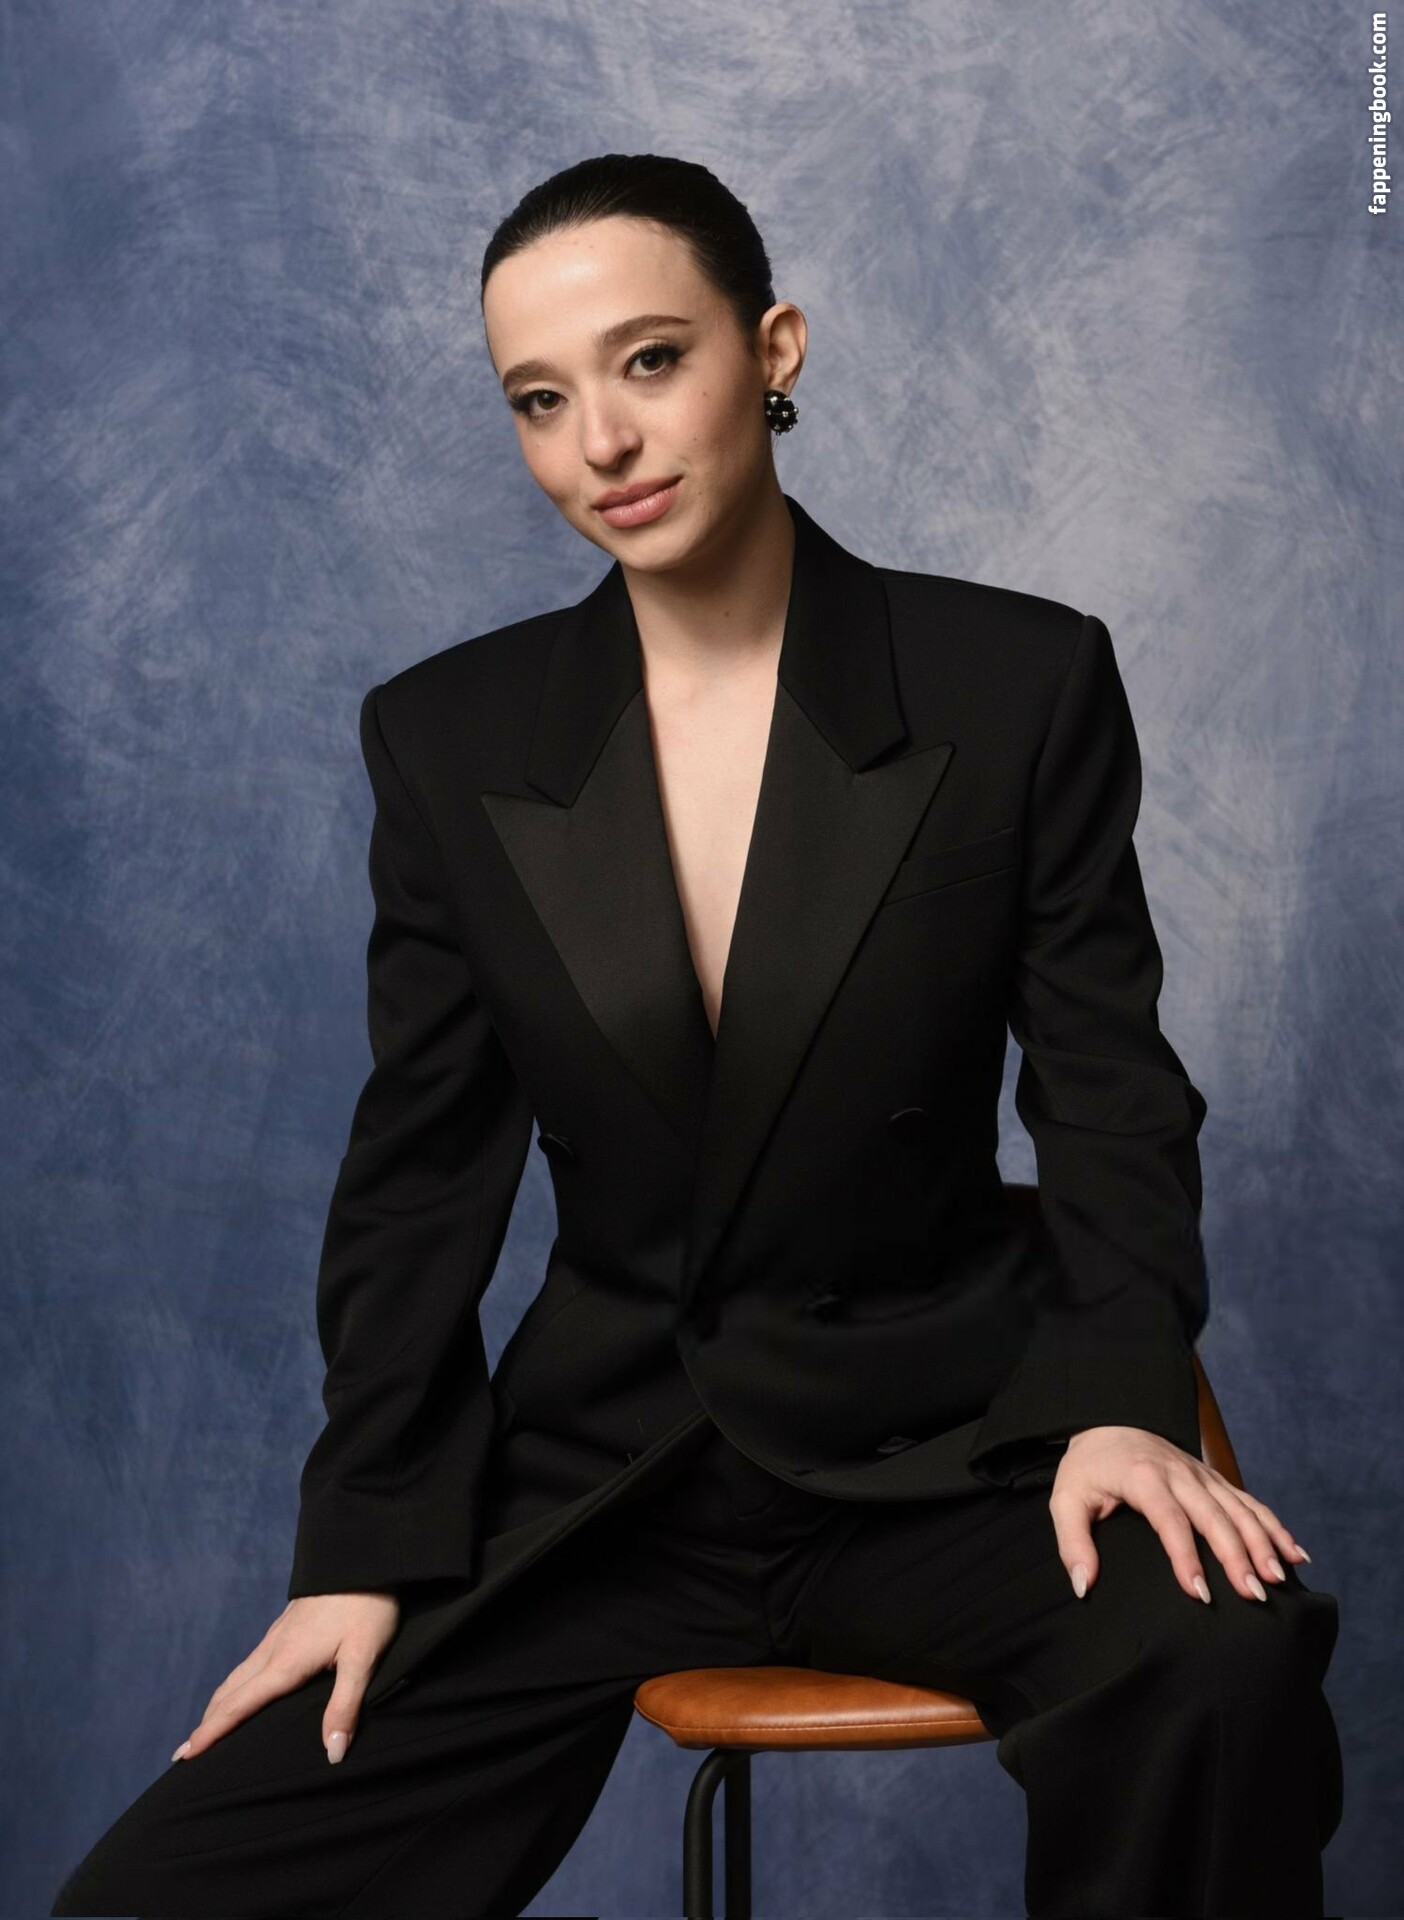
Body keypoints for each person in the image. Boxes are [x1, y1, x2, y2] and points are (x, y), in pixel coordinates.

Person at [51, 152, 1343, 1919]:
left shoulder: (1014, 682)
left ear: (774, 349)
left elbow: (1113, 1094)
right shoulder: (447, 739)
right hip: (596, 1489)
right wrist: (361, 1547)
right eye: (539, 399)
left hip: (946, 1451)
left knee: (1220, 1666)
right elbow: (418, 1184)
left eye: (650, 360)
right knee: (164, 1892)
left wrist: (1120, 1407)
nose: (602, 441)